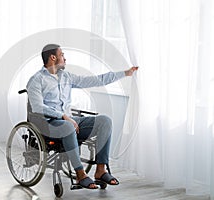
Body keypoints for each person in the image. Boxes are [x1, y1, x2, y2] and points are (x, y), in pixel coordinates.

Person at [26, 44, 138, 189]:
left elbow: (96, 80)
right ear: (53, 58)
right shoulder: (36, 80)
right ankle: (80, 174)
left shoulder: (66, 77)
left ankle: (100, 170)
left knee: (105, 121)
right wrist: (63, 116)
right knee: (67, 126)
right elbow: (37, 107)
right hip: (48, 124)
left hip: (69, 121)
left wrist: (125, 73)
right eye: (62, 55)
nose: (65, 59)